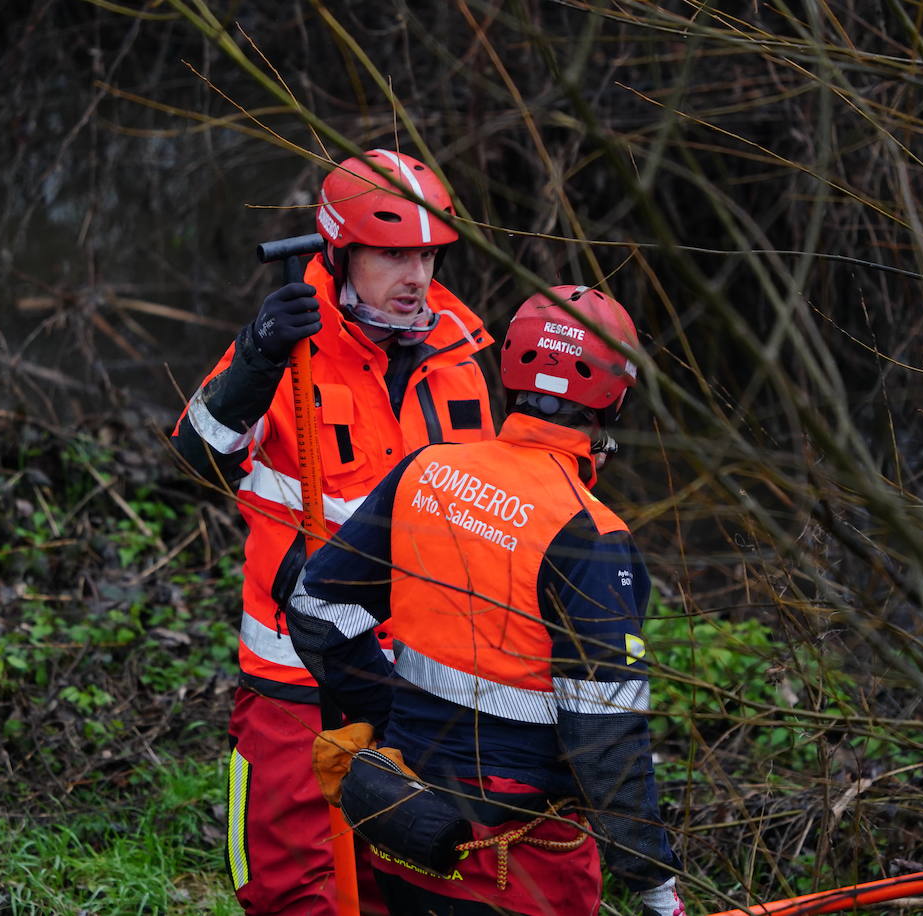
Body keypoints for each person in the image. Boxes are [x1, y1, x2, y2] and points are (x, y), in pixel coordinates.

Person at [287, 285, 685, 916]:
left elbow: (315, 610)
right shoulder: (592, 536)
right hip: (519, 861)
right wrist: (655, 884)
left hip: (405, 818)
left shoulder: (427, 470)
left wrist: (386, 719)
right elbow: (605, 735)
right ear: (615, 395)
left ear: (509, 370)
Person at [171, 148, 497, 914]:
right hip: (297, 680)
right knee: (292, 888)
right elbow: (196, 458)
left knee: (410, 879)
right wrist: (258, 357)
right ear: (340, 252)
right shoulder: (289, 346)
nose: (416, 274)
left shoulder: (462, 356)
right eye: (393, 254)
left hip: (418, 679)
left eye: (427, 253)